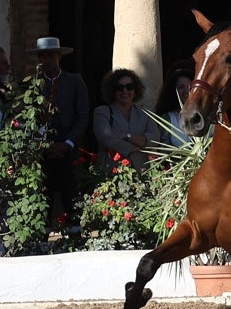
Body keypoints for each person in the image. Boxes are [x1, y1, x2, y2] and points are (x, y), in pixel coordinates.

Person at [29, 36, 90, 222]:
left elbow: (83, 115)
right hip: (43, 148)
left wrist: (68, 143)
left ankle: (74, 233)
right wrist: (42, 144)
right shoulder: (33, 85)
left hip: (68, 146)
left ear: (58, 56)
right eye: (41, 56)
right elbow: (29, 118)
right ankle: (42, 238)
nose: (45, 60)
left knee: (71, 193)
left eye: (49, 56)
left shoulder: (74, 81)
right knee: (43, 194)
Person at [92, 68, 160, 170]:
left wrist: (126, 136)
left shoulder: (145, 114)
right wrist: (133, 148)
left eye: (129, 87)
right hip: (110, 176)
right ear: (112, 90)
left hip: (141, 175)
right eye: (119, 87)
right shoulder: (102, 112)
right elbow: (106, 138)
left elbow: (155, 139)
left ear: (135, 89)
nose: (125, 91)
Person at [153, 67, 194, 146]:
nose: (186, 91)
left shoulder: (206, 117)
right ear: (174, 91)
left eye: (190, 87)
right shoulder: (168, 118)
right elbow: (164, 150)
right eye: (181, 87)